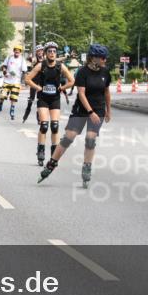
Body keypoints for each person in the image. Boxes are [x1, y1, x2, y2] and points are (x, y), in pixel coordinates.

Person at [38, 43, 112, 187]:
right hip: (82, 109)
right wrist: (90, 112)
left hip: (99, 110)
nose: (105, 60)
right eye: (102, 57)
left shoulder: (105, 72)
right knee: (68, 138)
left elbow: (107, 92)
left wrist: (108, 110)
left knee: (90, 139)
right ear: (93, 58)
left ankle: (86, 167)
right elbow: (82, 94)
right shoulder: (83, 72)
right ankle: (51, 163)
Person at [25, 42, 75, 166]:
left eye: (54, 51)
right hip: (43, 98)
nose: (52, 53)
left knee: (55, 126)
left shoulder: (60, 66)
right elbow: (27, 79)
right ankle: (40, 150)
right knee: (44, 126)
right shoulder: (40, 66)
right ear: (46, 53)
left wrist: (61, 88)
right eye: (49, 51)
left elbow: (72, 81)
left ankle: (54, 153)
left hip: (55, 99)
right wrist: (38, 87)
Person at [0, 45, 27, 120]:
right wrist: (4, 71)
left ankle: (12, 111)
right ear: (14, 51)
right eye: (16, 50)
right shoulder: (9, 57)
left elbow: (24, 71)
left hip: (16, 82)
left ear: (20, 52)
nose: (17, 52)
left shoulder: (22, 60)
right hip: (7, 81)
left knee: (13, 98)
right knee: (2, 95)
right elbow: (4, 66)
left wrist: (24, 81)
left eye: (18, 51)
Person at [22, 44, 45, 123]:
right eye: (38, 51)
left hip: (42, 81)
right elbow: (30, 59)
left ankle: (39, 117)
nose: (40, 52)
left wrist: (66, 57)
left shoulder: (45, 58)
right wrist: (30, 57)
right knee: (31, 99)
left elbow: (56, 59)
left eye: (41, 51)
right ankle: (27, 113)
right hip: (34, 80)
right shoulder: (35, 59)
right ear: (36, 52)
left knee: (40, 99)